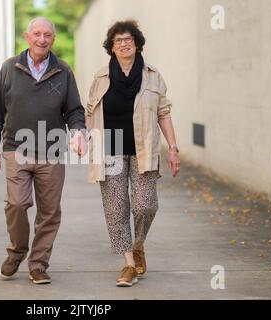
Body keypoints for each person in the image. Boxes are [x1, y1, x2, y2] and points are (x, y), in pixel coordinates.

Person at [0, 17, 86, 285]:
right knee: (16, 204)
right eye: (37, 34)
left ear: (53, 39)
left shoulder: (63, 71)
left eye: (48, 35)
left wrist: (78, 132)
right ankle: (17, 251)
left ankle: (38, 264)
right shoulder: (10, 68)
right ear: (27, 37)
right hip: (16, 149)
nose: (43, 39)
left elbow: (75, 110)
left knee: (49, 211)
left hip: (51, 151)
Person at [85, 20, 180, 287]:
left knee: (145, 205)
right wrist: (83, 138)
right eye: (118, 41)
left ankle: (138, 245)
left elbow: (164, 113)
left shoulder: (153, 75)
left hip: (144, 151)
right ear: (111, 48)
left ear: (137, 44)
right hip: (110, 150)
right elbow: (90, 112)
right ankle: (128, 264)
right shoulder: (100, 78)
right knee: (116, 209)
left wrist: (173, 148)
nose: (124, 44)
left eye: (128, 39)